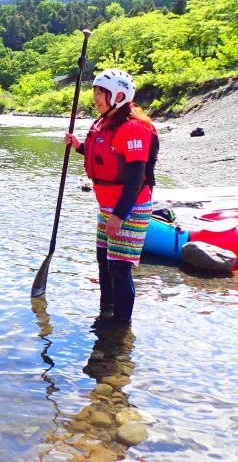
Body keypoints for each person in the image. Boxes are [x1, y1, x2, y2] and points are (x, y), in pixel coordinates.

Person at [64, 69, 158, 325]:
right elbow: (105, 158)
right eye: (94, 92)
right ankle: (106, 311)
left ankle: (120, 327)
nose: (95, 98)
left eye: (100, 93)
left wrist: (119, 215)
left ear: (118, 95)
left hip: (130, 208)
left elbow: (136, 177)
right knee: (103, 261)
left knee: (119, 266)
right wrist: (78, 146)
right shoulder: (102, 123)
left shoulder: (134, 128)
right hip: (107, 206)